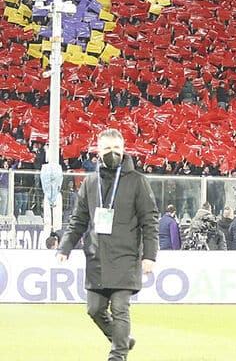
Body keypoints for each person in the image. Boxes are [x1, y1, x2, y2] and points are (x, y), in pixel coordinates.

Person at [56, 128, 158, 360]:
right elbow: (79, 219)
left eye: (116, 148)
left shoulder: (138, 181)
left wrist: (150, 255)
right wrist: (65, 247)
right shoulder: (89, 183)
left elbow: (150, 220)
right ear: (98, 152)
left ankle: (118, 354)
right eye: (107, 149)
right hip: (96, 257)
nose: (112, 153)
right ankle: (123, 339)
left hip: (126, 256)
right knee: (94, 310)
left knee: (120, 308)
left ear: (123, 150)